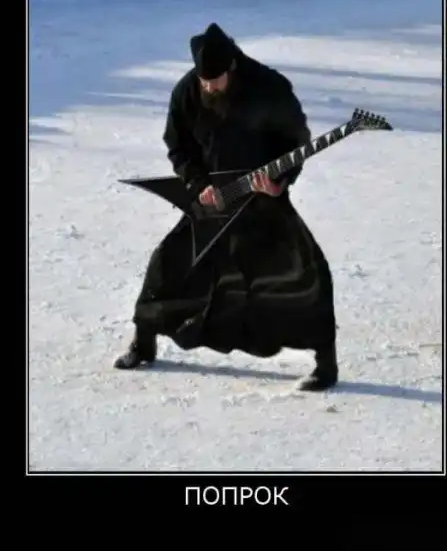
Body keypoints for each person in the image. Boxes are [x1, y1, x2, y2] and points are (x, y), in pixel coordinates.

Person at [114, 22, 339, 391]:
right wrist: (197, 184)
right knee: (168, 265)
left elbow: (296, 139)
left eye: (215, 81)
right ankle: (144, 342)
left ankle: (325, 365)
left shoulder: (269, 87)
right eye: (204, 81)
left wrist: (281, 181)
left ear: (231, 66)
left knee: (301, 275)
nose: (208, 88)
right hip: (213, 201)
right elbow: (178, 146)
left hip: (263, 201)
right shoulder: (187, 90)